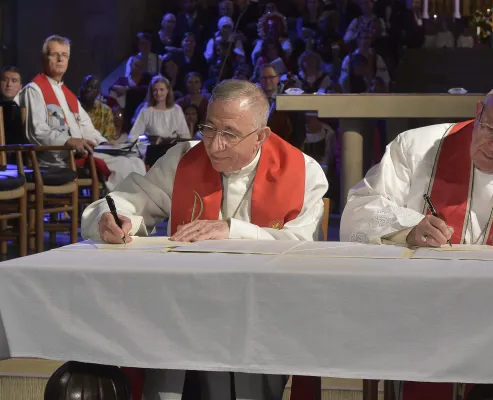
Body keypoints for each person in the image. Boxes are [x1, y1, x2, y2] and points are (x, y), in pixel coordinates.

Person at [340, 81, 493, 400]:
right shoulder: (416, 148)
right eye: (489, 129)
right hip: (419, 312)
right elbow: (358, 211)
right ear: (478, 112)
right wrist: (408, 228)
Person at [81, 79, 328, 400]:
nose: (214, 145)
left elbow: (301, 246)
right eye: (209, 128)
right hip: (184, 308)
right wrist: (111, 219)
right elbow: (127, 201)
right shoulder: (185, 159)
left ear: (261, 136)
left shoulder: (303, 172)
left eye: (229, 134)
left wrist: (232, 230)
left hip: (262, 311)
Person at [18, 35, 146, 191]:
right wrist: (68, 141)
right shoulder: (34, 91)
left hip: (76, 153)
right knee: (123, 165)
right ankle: (119, 205)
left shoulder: (67, 95)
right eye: (55, 54)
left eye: (64, 55)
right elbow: (37, 131)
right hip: (57, 158)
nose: (60, 59)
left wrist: (104, 143)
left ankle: (134, 204)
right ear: (44, 58)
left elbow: (86, 127)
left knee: (135, 161)